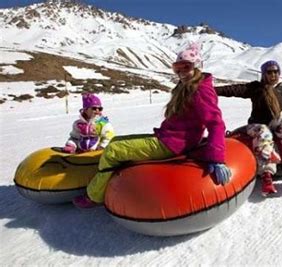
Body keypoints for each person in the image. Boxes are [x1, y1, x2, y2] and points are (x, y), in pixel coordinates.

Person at [73, 43, 231, 208]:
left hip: (174, 144)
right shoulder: (186, 87)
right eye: (177, 68)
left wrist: (217, 158)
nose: (181, 72)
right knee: (115, 141)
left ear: (197, 67)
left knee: (113, 151)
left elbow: (216, 123)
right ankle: (104, 178)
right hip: (168, 138)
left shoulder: (201, 90)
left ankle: (94, 196)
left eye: (186, 67)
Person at [215, 60, 282, 196]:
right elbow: (233, 89)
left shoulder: (281, 90)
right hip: (257, 124)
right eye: (269, 72)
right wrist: (211, 90)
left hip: (274, 122)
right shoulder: (256, 87)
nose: (273, 75)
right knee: (264, 134)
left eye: (276, 72)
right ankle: (267, 176)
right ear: (264, 74)